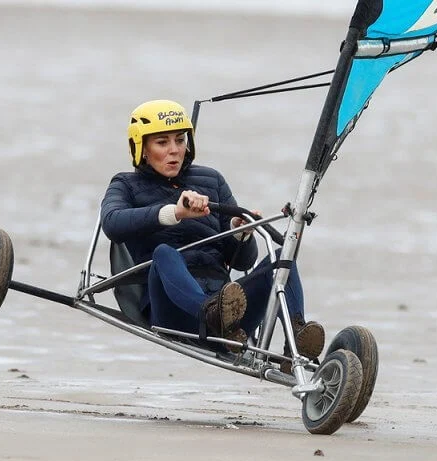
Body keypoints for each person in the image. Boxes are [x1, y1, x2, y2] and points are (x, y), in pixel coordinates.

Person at [101, 99, 323, 367]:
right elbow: (112, 223)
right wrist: (175, 212)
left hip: (230, 313)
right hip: (174, 312)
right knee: (164, 253)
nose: (174, 151)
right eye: (162, 143)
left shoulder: (211, 180)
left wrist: (240, 233)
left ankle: (296, 342)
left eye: (180, 140)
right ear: (142, 148)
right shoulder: (125, 184)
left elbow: (242, 261)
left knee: (281, 257)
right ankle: (211, 315)